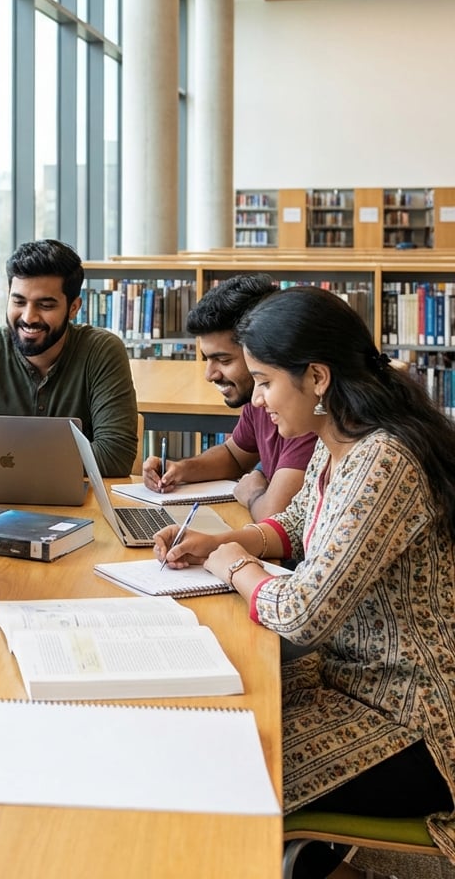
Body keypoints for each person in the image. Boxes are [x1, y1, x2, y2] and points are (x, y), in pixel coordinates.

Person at [155, 285, 455, 879]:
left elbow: (302, 614)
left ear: (316, 377)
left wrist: (234, 566)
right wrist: (226, 541)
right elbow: (295, 525)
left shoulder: (384, 460)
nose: (257, 398)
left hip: (413, 718)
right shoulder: (339, 436)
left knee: (217, 778)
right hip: (349, 682)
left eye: (265, 381)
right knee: (199, 729)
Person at [0, 238, 138, 477]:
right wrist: (57, 460)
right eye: (18, 302)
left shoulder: (102, 350)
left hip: (78, 498)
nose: (28, 317)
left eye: (45, 305)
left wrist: (4, 460)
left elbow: (115, 457)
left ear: (74, 308)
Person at [141, 273, 316, 520]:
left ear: (261, 348)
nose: (209, 375)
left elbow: (275, 514)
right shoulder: (258, 396)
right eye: (207, 358)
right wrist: (180, 469)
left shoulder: (306, 409)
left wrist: (253, 491)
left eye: (223, 360)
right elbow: (235, 456)